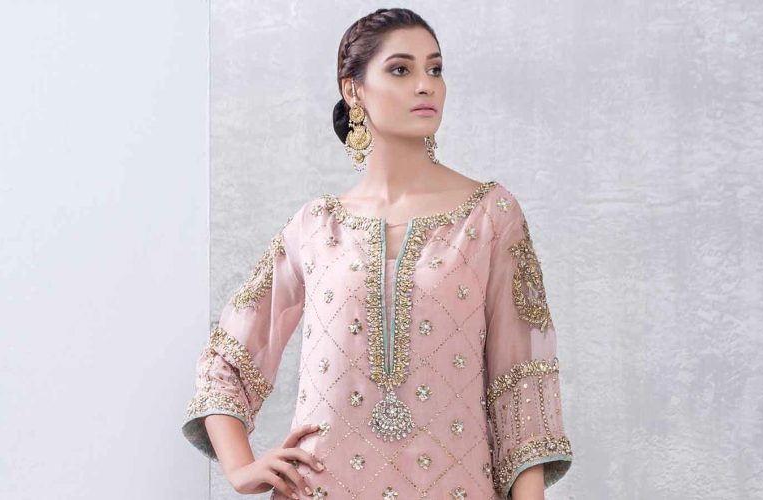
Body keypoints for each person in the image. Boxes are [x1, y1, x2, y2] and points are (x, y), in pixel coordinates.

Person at [181, 7, 573, 499]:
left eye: (435, 69)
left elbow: (520, 381)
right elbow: (228, 358)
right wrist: (240, 468)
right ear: (354, 90)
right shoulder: (316, 226)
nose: (426, 85)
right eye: (401, 69)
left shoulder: (489, 216)